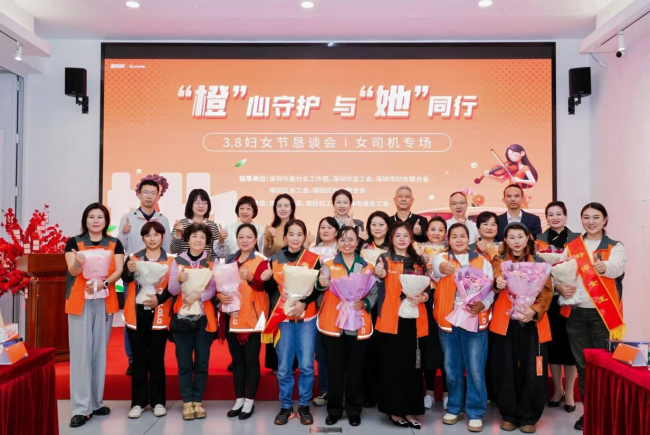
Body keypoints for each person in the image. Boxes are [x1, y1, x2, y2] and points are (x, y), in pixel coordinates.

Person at [554, 203, 626, 432]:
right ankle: (590, 413)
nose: (591, 221)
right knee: (584, 366)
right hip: (576, 313)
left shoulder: (614, 246)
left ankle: (608, 414)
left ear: (605, 220)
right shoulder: (572, 247)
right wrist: (559, 287)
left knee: (605, 366)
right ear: (581, 220)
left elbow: (617, 268)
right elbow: (559, 273)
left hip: (603, 316)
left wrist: (604, 266)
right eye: (586, 217)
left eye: (596, 217)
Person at [65, 203, 125, 428]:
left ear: (106, 221)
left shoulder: (114, 243)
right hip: (79, 302)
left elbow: (119, 269)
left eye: (100, 217)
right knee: (81, 354)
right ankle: (81, 408)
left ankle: (96, 402)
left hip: (104, 300)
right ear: (85, 220)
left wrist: (104, 283)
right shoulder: (74, 242)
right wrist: (78, 263)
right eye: (91, 217)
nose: (96, 221)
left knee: (99, 352)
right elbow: (72, 271)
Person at [490, 222, 553, 434]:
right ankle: (508, 413)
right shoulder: (499, 261)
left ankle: (529, 416)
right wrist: (497, 282)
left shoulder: (540, 263)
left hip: (533, 321)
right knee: (505, 366)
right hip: (505, 320)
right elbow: (494, 278)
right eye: (512, 237)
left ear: (528, 238)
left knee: (534, 367)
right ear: (505, 240)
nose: (516, 241)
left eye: (520, 236)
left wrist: (533, 311)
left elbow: (547, 291)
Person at [432, 223, 495, 433]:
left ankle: (475, 412)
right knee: (452, 368)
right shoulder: (441, 258)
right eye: (454, 236)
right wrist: (444, 267)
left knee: (476, 369)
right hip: (448, 322)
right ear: (448, 240)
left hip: (474, 320)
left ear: (469, 239)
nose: (458, 240)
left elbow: (491, 290)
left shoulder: (483, 261)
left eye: (462, 236)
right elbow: (437, 268)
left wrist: (483, 305)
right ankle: (455, 407)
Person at [260, 219, 323, 426]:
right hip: (284, 320)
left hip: (307, 318)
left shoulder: (313, 259)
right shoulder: (275, 259)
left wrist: (304, 302)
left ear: (305, 237)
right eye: (291, 234)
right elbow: (271, 291)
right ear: (285, 236)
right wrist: (267, 279)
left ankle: (304, 405)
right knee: (284, 366)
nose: (295, 238)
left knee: (306, 365)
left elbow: (318, 288)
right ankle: (286, 406)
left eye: (299, 234)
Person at [317, 226, 378, 427]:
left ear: (357, 242)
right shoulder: (327, 264)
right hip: (332, 324)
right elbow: (319, 286)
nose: (347, 243)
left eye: (351, 239)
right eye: (342, 240)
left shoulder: (367, 266)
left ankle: (353, 410)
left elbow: (374, 292)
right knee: (334, 369)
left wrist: (366, 302)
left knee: (355, 369)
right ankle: (334, 410)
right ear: (337, 242)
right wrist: (321, 282)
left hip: (358, 324)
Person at [375, 221, 429, 429]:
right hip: (391, 320)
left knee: (413, 366)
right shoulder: (384, 259)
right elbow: (378, 284)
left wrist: (423, 296)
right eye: (397, 235)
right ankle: (395, 410)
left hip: (414, 319)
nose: (402, 239)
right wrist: (380, 276)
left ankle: (410, 408)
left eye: (405, 235)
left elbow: (428, 287)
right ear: (391, 238)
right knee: (393, 366)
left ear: (411, 238)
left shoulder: (419, 261)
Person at [118, 179, 171, 375]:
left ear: (158, 196)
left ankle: (153, 358)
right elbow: (121, 246)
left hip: (157, 277)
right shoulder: (127, 218)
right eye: (145, 192)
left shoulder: (163, 219)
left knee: (156, 318)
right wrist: (124, 234)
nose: (149, 196)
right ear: (138, 194)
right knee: (132, 319)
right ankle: (133, 359)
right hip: (134, 275)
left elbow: (167, 248)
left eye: (153, 193)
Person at [121, 221, 174, 419]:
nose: (152, 238)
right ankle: (138, 402)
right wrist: (129, 269)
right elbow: (126, 279)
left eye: (156, 234)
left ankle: (158, 401)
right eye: (148, 235)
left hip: (159, 312)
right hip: (136, 314)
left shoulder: (171, 260)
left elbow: (173, 287)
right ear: (143, 238)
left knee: (157, 359)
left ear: (162, 237)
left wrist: (159, 299)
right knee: (139, 359)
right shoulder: (133, 258)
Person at [168, 223, 218, 421]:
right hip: (182, 318)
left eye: (202, 237)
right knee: (184, 362)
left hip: (205, 318)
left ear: (207, 241)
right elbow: (172, 290)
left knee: (202, 361)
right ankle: (187, 402)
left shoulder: (212, 261)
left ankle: (198, 400)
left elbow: (214, 288)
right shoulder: (177, 261)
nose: (198, 240)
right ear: (187, 239)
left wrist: (199, 296)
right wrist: (179, 280)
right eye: (195, 236)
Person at [219, 224, 270, 421]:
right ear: (237, 239)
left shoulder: (262, 261)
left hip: (252, 319)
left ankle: (249, 401)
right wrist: (219, 295)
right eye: (241, 237)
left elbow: (264, 285)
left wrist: (250, 277)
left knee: (251, 361)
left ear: (256, 240)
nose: (245, 240)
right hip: (232, 317)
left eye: (249, 237)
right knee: (237, 362)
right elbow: (219, 284)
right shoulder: (230, 260)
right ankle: (239, 399)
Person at [536, 202, 579, 413]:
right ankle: (557, 389)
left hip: (571, 299)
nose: (555, 217)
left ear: (566, 216)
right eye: (550, 214)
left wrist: (567, 287)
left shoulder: (577, 239)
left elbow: (582, 269)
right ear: (546, 218)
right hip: (549, 300)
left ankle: (569, 392)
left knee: (569, 347)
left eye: (559, 214)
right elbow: (537, 271)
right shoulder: (538, 241)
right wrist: (556, 287)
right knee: (552, 345)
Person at [360, 210, 391, 408]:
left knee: (386, 349)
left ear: (388, 227)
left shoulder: (394, 247)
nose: (377, 228)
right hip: (368, 302)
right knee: (368, 349)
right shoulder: (363, 248)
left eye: (381, 224)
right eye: (373, 225)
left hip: (388, 302)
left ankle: (384, 394)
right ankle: (368, 394)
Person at [420, 217, 448, 410]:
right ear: (427, 232)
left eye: (440, 229)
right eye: (433, 229)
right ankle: (429, 391)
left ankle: (447, 392)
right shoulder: (418, 251)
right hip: (425, 300)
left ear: (445, 233)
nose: (436, 233)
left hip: (446, 300)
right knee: (429, 346)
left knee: (447, 348)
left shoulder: (451, 252)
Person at [312, 217, 340, 408]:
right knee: (321, 352)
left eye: (330, 227)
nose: (325, 230)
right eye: (322, 227)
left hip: (341, 306)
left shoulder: (344, 250)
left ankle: (342, 392)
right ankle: (326, 391)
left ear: (337, 231)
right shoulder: (311, 252)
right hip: (319, 306)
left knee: (341, 353)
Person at [171, 188, 226, 258]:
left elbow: (219, 254)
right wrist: (177, 234)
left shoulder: (213, 225)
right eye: (197, 202)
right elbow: (173, 250)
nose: (201, 206)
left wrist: (221, 240)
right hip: (184, 263)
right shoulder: (180, 224)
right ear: (190, 204)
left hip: (206, 264)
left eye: (205, 203)